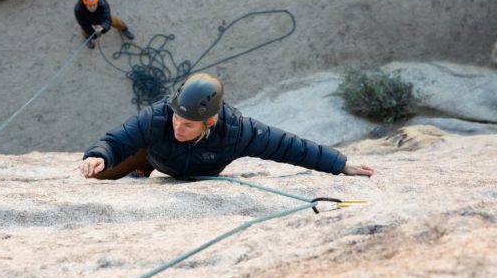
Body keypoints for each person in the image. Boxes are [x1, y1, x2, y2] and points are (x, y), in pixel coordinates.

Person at [80, 72, 375, 180]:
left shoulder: (236, 132)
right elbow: (116, 140)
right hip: (154, 154)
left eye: (187, 124)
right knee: (100, 173)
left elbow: (288, 146)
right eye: (176, 118)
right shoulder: (157, 118)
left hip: (197, 169)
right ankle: (143, 166)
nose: (177, 127)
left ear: (210, 121)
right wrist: (98, 155)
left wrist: (339, 164)